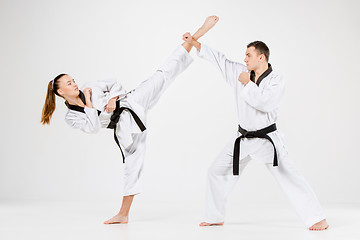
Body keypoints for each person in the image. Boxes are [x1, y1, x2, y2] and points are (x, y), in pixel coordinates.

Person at [40, 16, 219, 224]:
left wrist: (113, 99)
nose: (74, 84)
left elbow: (114, 83)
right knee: (132, 165)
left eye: (73, 80)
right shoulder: (71, 116)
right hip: (124, 128)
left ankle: (196, 36)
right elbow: (94, 128)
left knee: (162, 74)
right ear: (61, 92)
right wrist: (88, 100)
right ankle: (123, 214)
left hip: (132, 101)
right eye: (69, 84)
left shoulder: (91, 84)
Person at [182, 31, 329, 231]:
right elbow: (220, 60)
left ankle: (317, 218)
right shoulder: (240, 72)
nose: (244, 59)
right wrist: (196, 44)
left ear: (261, 57)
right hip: (242, 138)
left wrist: (247, 84)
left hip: (266, 139)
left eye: (248, 55)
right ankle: (214, 216)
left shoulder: (276, 80)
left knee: (289, 176)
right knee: (216, 171)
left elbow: (265, 103)